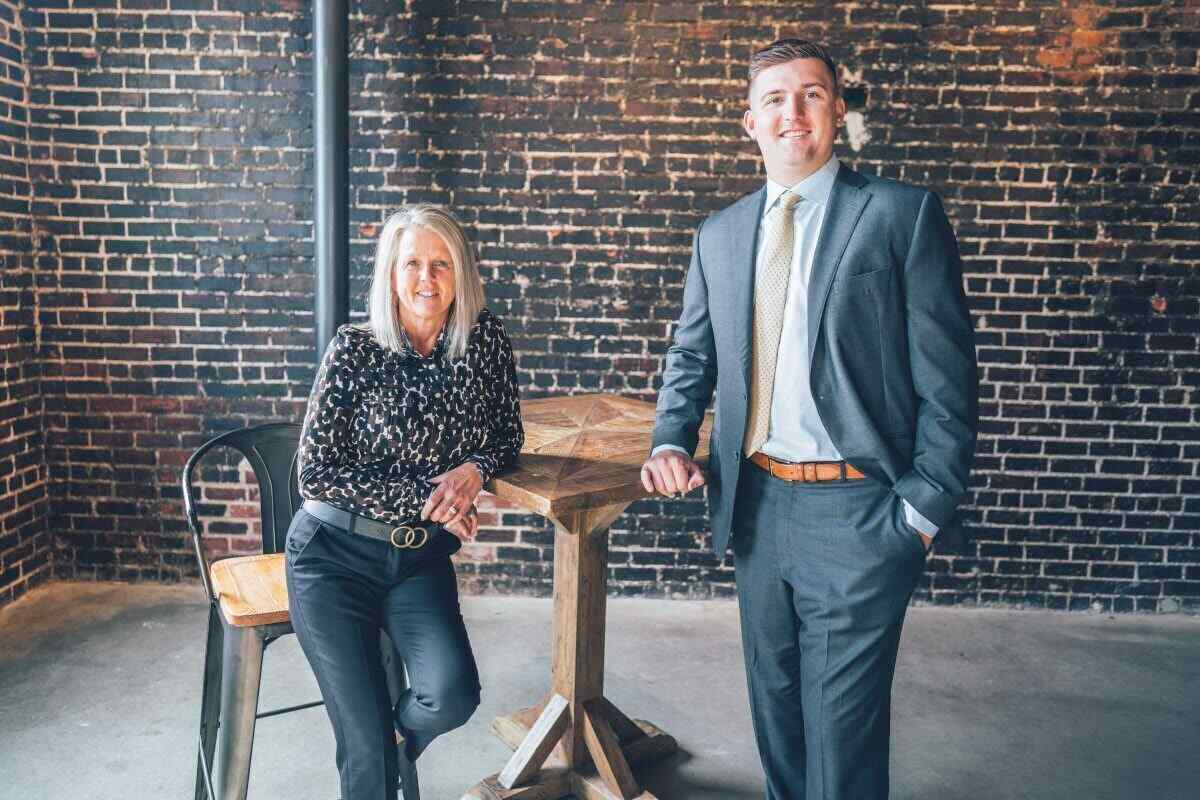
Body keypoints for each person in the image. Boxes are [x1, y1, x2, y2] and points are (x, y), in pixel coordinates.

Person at [641, 39, 978, 799]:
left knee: (843, 731)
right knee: (779, 712)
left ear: (837, 110)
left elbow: (949, 378)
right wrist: (670, 439)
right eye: (774, 99)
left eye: (812, 94)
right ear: (749, 122)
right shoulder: (720, 234)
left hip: (862, 509)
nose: (793, 112)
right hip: (756, 505)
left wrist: (921, 511)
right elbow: (692, 356)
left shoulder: (898, 215)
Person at [285, 204, 524, 799]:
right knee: (363, 749)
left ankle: (387, 745)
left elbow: (507, 433)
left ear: (461, 272)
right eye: (412, 263)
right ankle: (376, 754)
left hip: (416, 560)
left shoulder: (484, 339)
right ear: (391, 273)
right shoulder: (355, 348)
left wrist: (473, 471)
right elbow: (315, 473)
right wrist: (428, 499)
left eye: (441, 264)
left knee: (451, 694)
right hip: (331, 557)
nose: (427, 278)